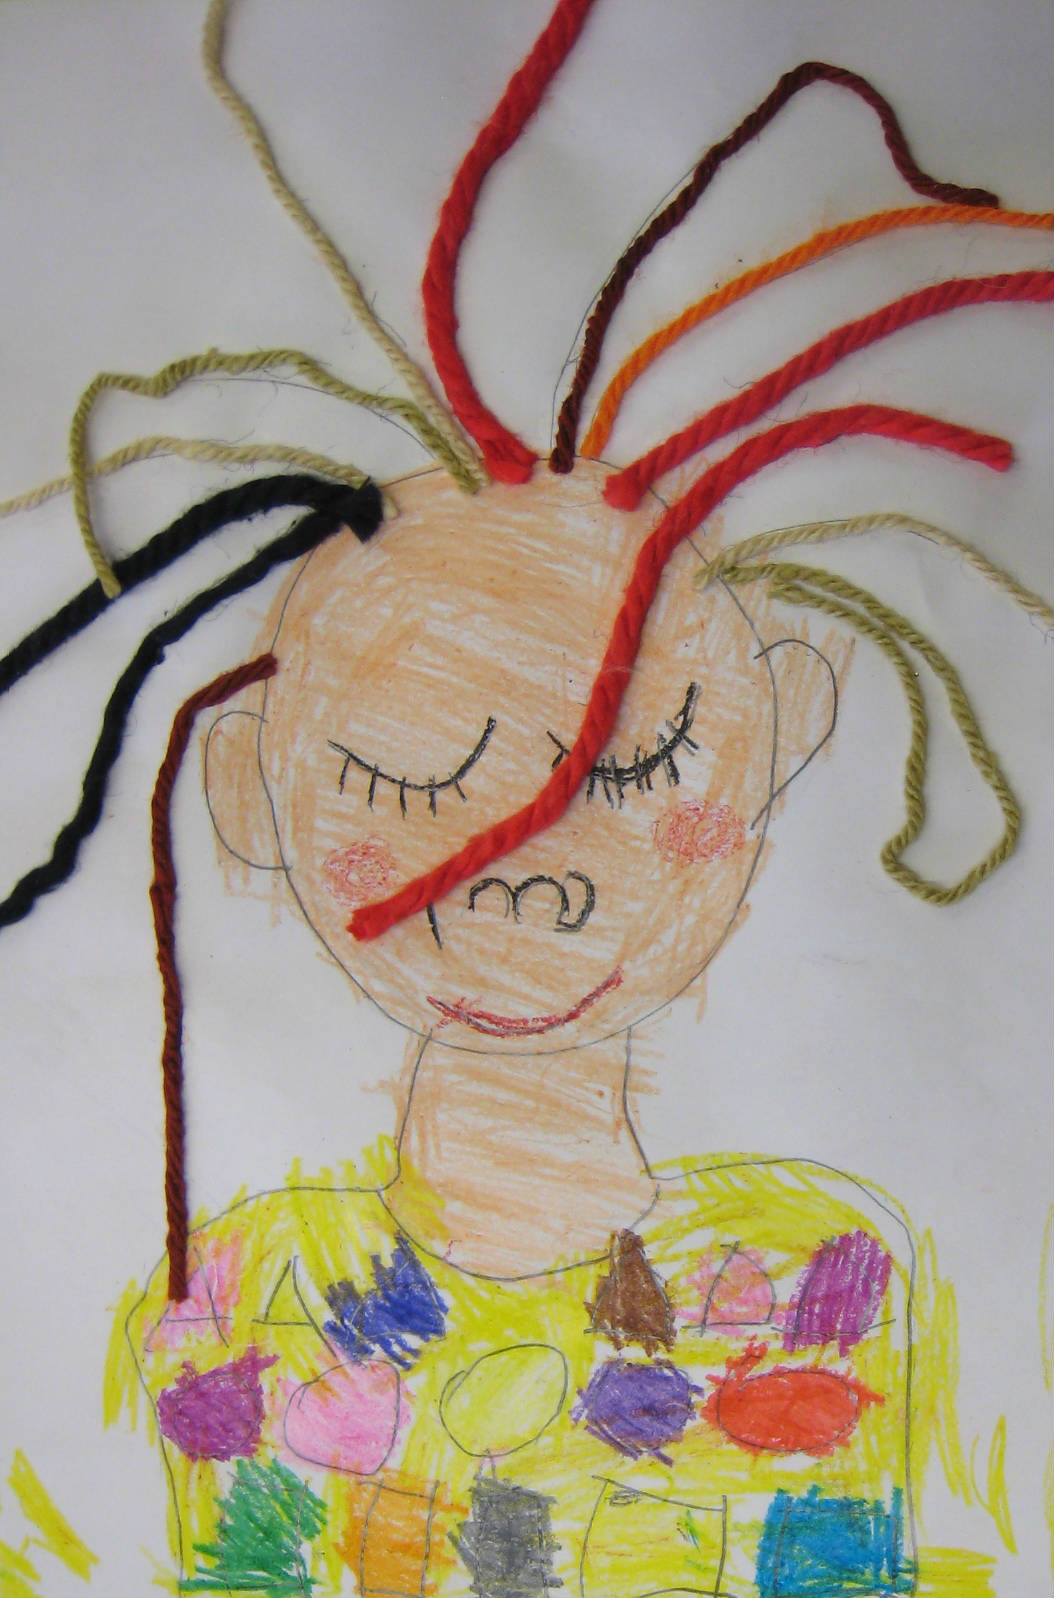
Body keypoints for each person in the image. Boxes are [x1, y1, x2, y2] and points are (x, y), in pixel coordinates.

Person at [110, 461, 948, 1596]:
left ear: (781, 726)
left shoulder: (817, 1287)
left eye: (641, 767)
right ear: (250, 789)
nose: (533, 880)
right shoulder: (242, 1303)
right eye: (405, 783)